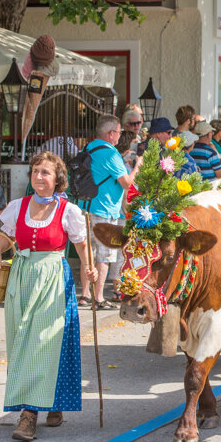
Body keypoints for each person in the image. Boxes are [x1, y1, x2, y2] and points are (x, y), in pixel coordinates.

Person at [0, 151, 98, 442]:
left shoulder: (67, 210)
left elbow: (80, 243)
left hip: (52, 279)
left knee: (44, 342)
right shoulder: (18, 206)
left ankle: (28, 416)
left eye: (45, 172)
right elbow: (8, 235)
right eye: (35, 171)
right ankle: (51, 402)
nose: (38, 177)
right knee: (21, 342)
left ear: (58, 178)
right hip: (21, 277)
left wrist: (88, 267)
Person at [79, 115, 141, 309]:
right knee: (104, 256)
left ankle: (84, 294)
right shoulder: (110, 153)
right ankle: (98, 298)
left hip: (85, 206)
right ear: (111, 133)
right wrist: (138, 165)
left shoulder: (89, 148)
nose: (120, 135)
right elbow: (126, 182)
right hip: (104, 209)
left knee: (87, 252)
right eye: (119, 132)